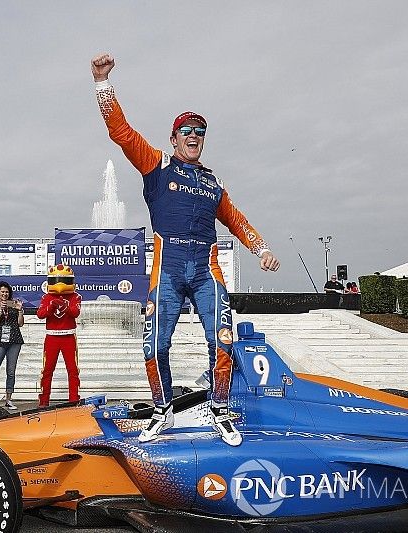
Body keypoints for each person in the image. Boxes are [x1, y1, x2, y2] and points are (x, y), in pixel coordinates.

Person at [91, 53, 280, 445]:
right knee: (155, 344)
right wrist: (102, 83)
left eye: (200, 131)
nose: (194, 136)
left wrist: (260, 248)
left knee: (223, 340)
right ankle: (162, 410)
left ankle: (221, 409)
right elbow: (121, 132)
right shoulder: (157, 166)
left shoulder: (213, 182)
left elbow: (237, 219)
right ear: (174, 138)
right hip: (169, 268)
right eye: (186, 131)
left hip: (206, 269)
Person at [36, 265, 81, 407]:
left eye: (63, 280)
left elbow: (76, 313)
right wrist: (50, 308)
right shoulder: (46, 297)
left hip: (68, 336)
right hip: (52, 337)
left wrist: (65, 307)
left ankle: (74, 400)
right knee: (47, 370)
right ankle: (44, 401)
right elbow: (40, 314)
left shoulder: (76, 296)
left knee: (73, 370)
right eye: (56, 279)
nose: (59, 283)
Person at [0, 281, 25, 410]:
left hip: (14, 341)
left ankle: (8, 399)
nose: (5, 294)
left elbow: (20, 324)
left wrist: (20, 311)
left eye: (7, 292)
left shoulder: (14, 305)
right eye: (2, 292)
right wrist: (1, 310)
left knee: (11, 371)